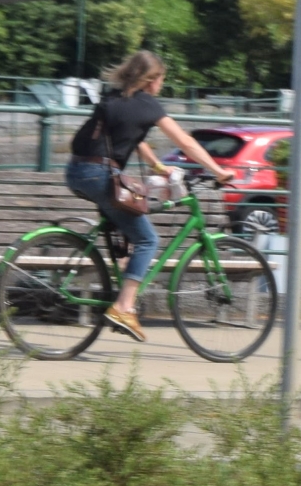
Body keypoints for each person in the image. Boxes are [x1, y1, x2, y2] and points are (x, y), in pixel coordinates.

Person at [62, 51, 233, 343]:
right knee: (148, 239)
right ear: (151, 80)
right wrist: (218, 171)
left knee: (126, 215)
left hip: (76, 171)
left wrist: (158, 167)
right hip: (100, 175)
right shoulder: (148, 106)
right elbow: (186, 142)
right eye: (161, 80)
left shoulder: (114, 97)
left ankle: (126, 266)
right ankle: (124, 307)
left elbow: (133, 140)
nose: (161, 86)